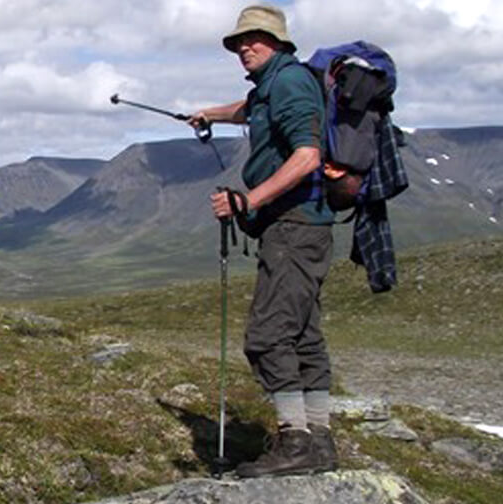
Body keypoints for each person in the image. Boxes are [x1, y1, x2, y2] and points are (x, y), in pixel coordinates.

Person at [189, 4, 337, 478]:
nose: (244, 48)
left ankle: (295, 442)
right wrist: (208, 113)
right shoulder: (273, 85)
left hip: (294, 226)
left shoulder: (289, 82)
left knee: (268, 336)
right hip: (302, 227)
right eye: (238, 43)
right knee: (303, 336)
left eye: (253, 40)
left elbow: (307, 156)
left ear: (278, 43)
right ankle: (320, 441)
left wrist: (246, 201)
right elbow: (252, 110)